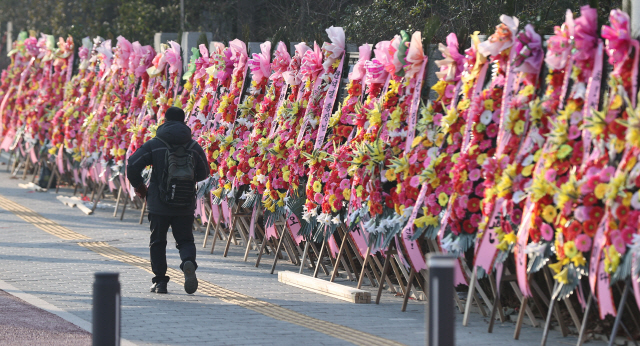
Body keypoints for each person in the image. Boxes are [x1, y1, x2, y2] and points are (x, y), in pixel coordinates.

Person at [127, 107, 208, 294]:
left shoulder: (155, 143)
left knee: (158, 241)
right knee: (185, 240)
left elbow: (132, 164)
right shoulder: (193, 146)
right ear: (183, 121)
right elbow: (204, 172)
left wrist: (140, 187)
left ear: (165, 121)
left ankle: (160, 282)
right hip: (185, 203)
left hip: (158, 203)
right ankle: (188, 262)